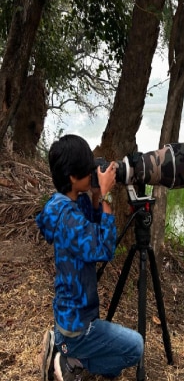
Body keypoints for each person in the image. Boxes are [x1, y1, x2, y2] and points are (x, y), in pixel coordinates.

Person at [36, 134, 143, 381]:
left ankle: (67, 353)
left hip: (73, 315)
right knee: (135, 348)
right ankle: (67, 356)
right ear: (73, 178)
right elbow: (103, 249)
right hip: (78, 326)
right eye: (88, 170)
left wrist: (95, 196)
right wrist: (106, 196)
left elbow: (92, 227)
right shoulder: (67, 218)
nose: (92, 173)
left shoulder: (68, 203)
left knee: (113, 368)